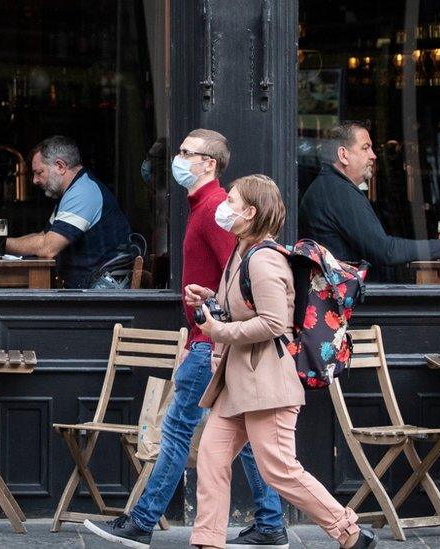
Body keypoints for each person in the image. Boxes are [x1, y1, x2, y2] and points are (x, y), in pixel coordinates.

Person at [84, 130, 289, 549]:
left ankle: (141, 521)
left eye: (185, 153)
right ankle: (270, 523)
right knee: (245, 436)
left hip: (212, 341)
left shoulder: (215, 208)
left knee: (177, 429)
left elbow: (240, 274)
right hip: (210, 339)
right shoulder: (205, 206)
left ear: (208, 163)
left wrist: (207, 332)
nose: (177, 159)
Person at [189, 175, 376, 549]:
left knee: (279, 470)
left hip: (267, 381)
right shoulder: (240, 253)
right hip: (239, 381)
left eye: (233, 201)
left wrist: (217, 331)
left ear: (251, 212)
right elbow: (247, 307)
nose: (225, 207)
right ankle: (207, 541)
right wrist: (212, 300)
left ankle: (348, 531)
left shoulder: (264, 259)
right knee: (211, 458)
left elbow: (273, 322)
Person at [298, 121, 440, 273]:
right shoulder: (338, 192)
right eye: (365, 148)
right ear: (343, 155)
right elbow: (386, 251)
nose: (373, 155)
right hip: (343, 304)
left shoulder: (331, 186)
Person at [5, 136, 132, 288]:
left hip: (98, 297)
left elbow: (47, 248)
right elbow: (43, 236)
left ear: (60, 166)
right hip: (86, 291)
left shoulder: (83, 192)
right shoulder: (72, 191)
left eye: (39, 172)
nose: (35, 180)